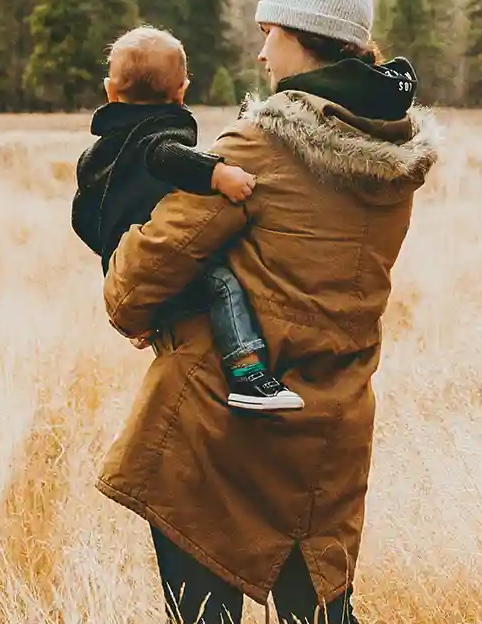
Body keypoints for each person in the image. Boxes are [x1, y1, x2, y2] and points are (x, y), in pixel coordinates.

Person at [94, 0, 440, 624]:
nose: (260, 49)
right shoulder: (391, 155)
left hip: (221, 429)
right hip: (330, 426)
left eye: (271, 32)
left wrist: (125, 276)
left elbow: (141, 276)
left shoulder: (259, 147)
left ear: (306, 37)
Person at [71, 26, 306, 412]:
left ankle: (154, 317)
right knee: (223, 285)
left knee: (179, 311)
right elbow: (166, 156)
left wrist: (114, 254)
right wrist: (218, 174)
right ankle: (247, 374)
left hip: (124, 264)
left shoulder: (101, 153)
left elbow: (81, 217)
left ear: (110, 92)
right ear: (182, 91)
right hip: (157, 258)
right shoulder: (156, 135)